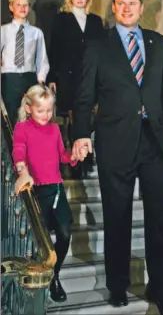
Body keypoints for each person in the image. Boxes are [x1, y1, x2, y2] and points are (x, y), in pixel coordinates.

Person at [71, 0, 163, 315]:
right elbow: (84, 96)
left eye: (133, 3)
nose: (127, 8)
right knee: (117, 217)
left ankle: (161, 291)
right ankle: (117, 286)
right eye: (121, 3)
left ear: (143, 7)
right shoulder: (96, 46)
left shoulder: (159, 44)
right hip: (115, 141)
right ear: (114, 8)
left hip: (156, 141)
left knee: (161, 221)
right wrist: (80, 134)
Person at [12, 84, 80, 303]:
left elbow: (62, 155)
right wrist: (22, 170)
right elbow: (18, 151)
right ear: (29, 107)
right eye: (41, 110)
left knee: (64, 235)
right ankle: (35, 283)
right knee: (38, 242)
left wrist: (75, 156)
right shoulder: (22, 128)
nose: (46, 115)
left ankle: (54, 274)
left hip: (56, 189)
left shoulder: (55, 129)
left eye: (49, 110)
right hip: (34, 190)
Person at [47, 0, 104, 178]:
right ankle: (76, 160)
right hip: (68, 74)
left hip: (91, 76)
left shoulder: (96, 21)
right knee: (73, 114)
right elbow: (54, 48)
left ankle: (85, 154)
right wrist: (52, 76)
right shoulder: (62, 19)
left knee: (89, 113)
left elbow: (102, 50)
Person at [1, 0, 49, 125]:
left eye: (25, 5)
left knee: (28, 116)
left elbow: (41, 59)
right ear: (11, 7)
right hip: (9, 79)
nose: (22, 8)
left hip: (29, 78)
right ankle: (11, 146)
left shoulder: (37, 33)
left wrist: (41, 81)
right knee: (9, 117)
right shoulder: (3, 31)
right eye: (18, 5)